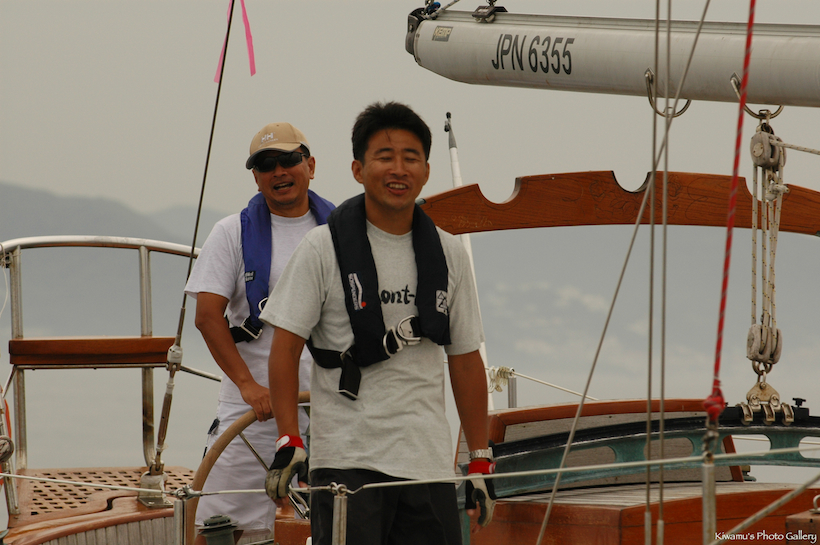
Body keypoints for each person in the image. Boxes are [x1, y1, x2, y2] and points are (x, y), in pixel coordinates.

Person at [261, 102, 495, 545]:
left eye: (411, 157)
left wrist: (480, 459)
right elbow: (285, 349)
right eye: (384, 156)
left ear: (426, 171)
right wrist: (289, 439)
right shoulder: (321, 248)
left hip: (427, 465)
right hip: (346, 464)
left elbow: (465, 360)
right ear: (357, 169)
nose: (398, 169)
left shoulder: (449, 253)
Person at [184, 122, 334, 544]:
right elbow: (207, 317)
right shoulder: (230, 232)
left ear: (310, 165)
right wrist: (248, 386)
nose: (279, 171)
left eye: (289, 159)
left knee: (336, 523)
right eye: (266, 164)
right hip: (254, 412)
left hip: (330, 408)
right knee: (219, 528)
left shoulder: (343, 233)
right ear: (255, 177)